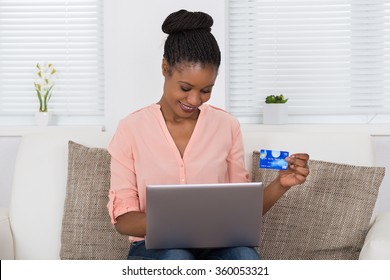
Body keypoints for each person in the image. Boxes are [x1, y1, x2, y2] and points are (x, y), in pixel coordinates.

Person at [107, 9, 310, 260]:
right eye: (185, 88)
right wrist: (182, 221)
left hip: (217, 245)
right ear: (164, 67)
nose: (194, 100)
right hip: (155, 249)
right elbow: (123, 221)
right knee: (177, 257)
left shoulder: (227, 126)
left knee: (244, 257)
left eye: (205, 90)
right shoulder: (131, 129)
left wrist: (281, 184)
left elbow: (241, 212)